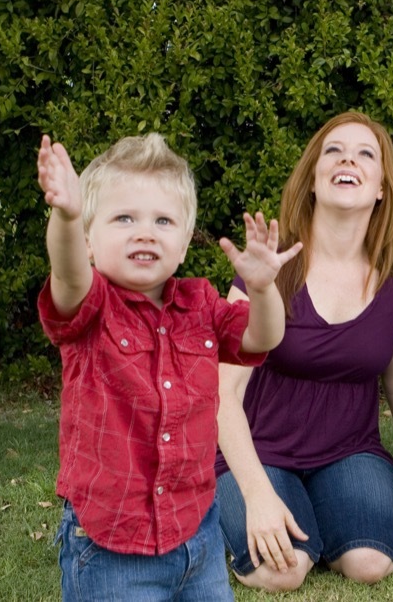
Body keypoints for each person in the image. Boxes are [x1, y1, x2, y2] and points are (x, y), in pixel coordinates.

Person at [36, 133, 301, 601]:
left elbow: (264, 338)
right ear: (90, 243)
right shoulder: (90, 306)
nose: (145, 232)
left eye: (163, 220)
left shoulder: (200, 303)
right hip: (109, 547)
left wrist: (262, 290)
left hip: (196, 536)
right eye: (124, 218)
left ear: (181, 246)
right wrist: (67, 214)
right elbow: (68, 269)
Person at [215, 111, 393, 592]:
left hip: (348, 451)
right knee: (284, 572)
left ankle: (314, 508)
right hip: (261, 450)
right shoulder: (270, 266)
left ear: (382, 187)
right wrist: (256, 494)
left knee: (370, 564)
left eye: (366, 154)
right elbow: (222, 392)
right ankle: (239, 502)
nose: (348, 160)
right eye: (334, 151)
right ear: (314, 179)